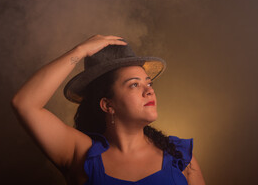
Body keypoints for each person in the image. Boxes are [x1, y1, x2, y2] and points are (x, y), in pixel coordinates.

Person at [11, 34, 206, 185]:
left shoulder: (180, 155)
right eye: (134, 85)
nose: (149, 91)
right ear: (107, 105)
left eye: (149, 83)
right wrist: (79, 51)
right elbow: (25, 103)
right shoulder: (80, 153)